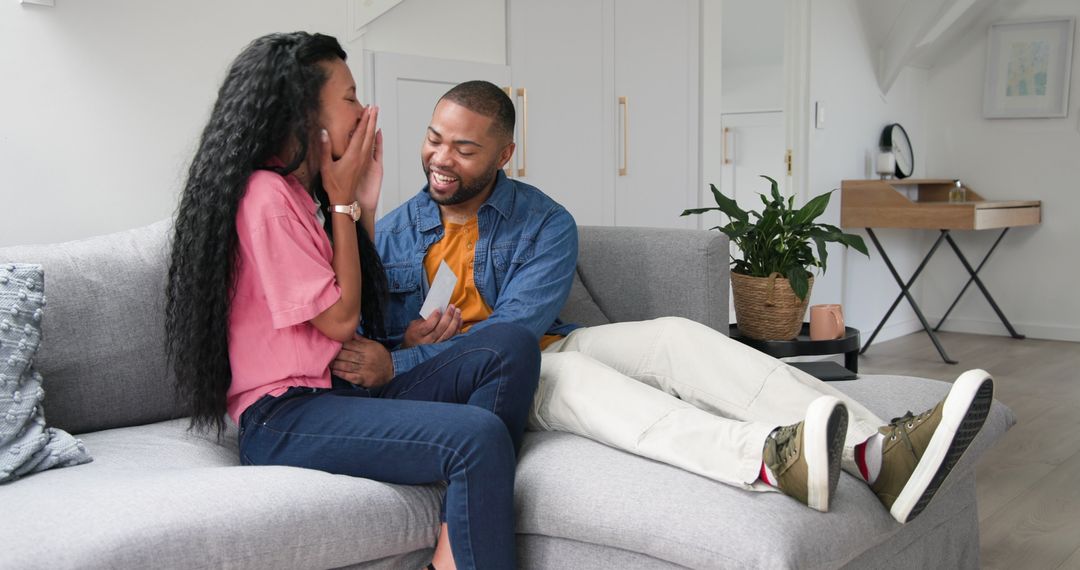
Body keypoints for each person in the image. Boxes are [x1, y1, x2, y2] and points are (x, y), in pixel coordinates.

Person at [333, 80, 994, 525]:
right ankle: (766, 457)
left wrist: (414, 350)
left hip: (531, 344)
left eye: (464, 147)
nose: (440, 159)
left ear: (505, 154)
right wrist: (413, 351)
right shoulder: (388, 231)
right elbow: (373, 353)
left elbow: (516, 329)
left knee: (674, 338)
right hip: (481, 384)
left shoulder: (544, 223)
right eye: (434, 138)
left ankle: (879, 452)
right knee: (569, 373)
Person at [165, 35, 538, 570]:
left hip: (337, 393)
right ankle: (463, 535)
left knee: (511, 345)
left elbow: (352, 308)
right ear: (303, 113)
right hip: (282, 418)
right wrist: (342, 202)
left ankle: (463, 529)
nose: (364, 111)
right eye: (350, 97)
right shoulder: (265, 197)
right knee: (476, 437)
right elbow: (341, 322)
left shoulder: (298, 194)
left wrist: (359, 204)